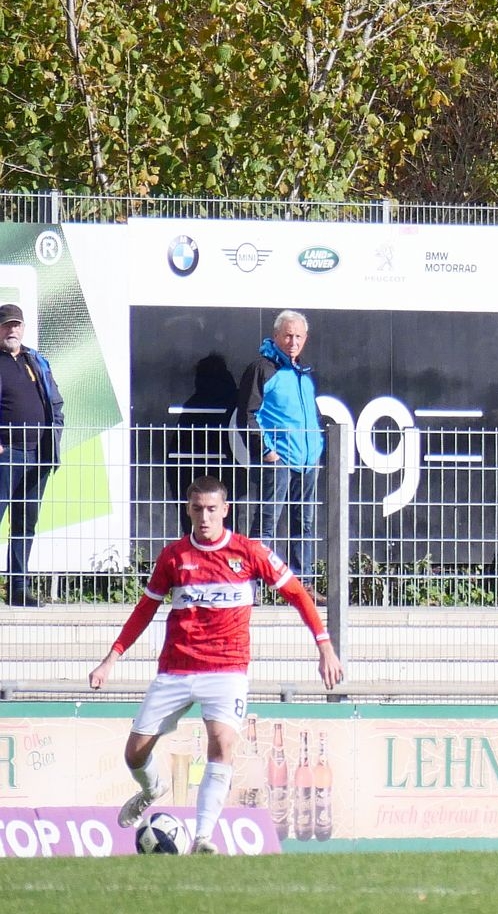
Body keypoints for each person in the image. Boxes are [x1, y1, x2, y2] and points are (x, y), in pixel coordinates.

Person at [88, 476, 343, 854]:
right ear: (188, 510)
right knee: (134, 753)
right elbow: (144, 610)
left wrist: (325, 647)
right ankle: (151, 789)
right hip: (176, 669)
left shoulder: (250, 552)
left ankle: (202, 837)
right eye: (197, 509)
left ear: (225, 510)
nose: (204, 517)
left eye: (211, 509)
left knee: (221, 744)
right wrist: (111, 659)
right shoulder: (174, 557)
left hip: (226, 670)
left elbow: (297, 594)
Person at [236, 310, 321, 576]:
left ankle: (302, 582)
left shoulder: (303, 372)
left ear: (305, 338)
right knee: (267, 520)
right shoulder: (262, 369)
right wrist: (266, 451)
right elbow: (247, 415)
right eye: (287, 335)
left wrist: (316, 447)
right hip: (278, 459)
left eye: (298, 337)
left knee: (304, 522)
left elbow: (313, 415)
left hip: (307, 460)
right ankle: (252, 583)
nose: (293, 342)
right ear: (276, 336)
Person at [0, 303, 62, 606]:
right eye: (6, 325)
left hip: (38, 455)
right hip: (5, 455)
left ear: (23, 328)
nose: (12, 330)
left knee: (25, 524)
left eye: (16, 325)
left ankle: (18, 589)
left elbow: (56, 403)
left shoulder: (35, 360)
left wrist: (53, 441)